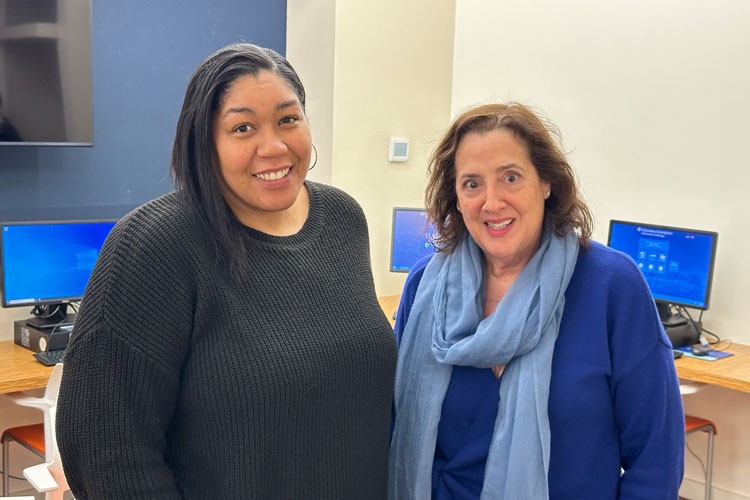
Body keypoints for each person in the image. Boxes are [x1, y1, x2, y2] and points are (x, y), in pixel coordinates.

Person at [56, 43, 397, 499]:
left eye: (288, 119)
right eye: (242, 127)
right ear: (204, 142)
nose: (273, 146)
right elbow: (105, 449)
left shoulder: (343, 219)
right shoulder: (155, 245)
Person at [388, 102, 684, 499]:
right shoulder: (425, 287)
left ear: (547, 182)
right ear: (456, 197)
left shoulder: (611, 285)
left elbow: (656, 457)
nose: (492, 202)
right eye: (472, 183)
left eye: (511, 177)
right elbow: (392, 422)